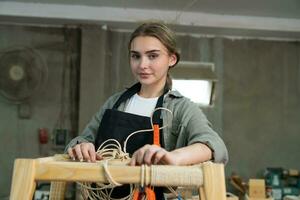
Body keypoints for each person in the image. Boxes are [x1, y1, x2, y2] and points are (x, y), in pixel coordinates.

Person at [66, 21, 228, 199]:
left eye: (152, 56)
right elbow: (81, 140)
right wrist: (81, 146)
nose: (142, 65)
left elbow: (214, 146)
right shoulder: (115, 103)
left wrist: (173, 157)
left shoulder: (181, 108)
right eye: (136, 56)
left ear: (171, 59)